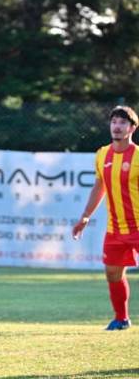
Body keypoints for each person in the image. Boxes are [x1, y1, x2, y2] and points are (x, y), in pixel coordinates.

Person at [73, 105, 139, 331]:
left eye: (122, 123)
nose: (117, 126)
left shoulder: (138, 156)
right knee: (112, 273)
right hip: (115, 229)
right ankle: (121, 319)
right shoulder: (102, 154)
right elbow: (99, 186)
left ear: (132, 128)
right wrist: (85, 216)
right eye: (114, 122)